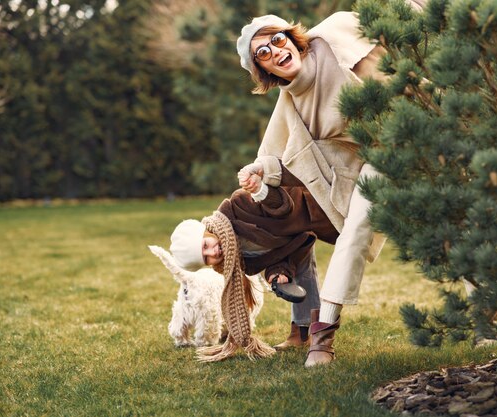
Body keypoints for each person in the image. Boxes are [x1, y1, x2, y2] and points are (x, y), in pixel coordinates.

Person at [234, 9, 412, 367]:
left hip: (415, 134)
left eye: (277, 39)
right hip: (373, 164)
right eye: (263, 53)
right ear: (263, 70)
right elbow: (274, 154)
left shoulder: (333, 34)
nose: (275, 50)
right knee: (357, 226)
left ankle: (489, 317)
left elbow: (396, 15)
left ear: (291, 37)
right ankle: (322, 332)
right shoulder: (291, 100)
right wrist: (256, 173)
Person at [169, 177, 340, 361]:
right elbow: (274, 255)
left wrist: (262, 192)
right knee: (303, 270)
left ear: (205, 232)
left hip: (307, 206)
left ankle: (307, 332)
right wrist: (277, 273)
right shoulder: (240, 260)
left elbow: (280, 203)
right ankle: (306, 333)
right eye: (206, 258)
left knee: (347, 224)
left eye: (205, 245)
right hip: (298, 240)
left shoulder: (237, 205)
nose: (213, 252)